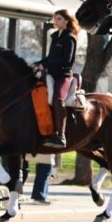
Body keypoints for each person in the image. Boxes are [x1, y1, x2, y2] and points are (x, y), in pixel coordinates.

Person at [32, 9, 79, 148]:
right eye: (54, 19)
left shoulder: (70, 38)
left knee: (58, 100)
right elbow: (50, 58)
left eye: (58, 19)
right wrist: (38, 63)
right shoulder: (55, 37)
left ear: (66, 21)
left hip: (63, 76)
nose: (55, 21)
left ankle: (61, 136)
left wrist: (45, 65)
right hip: (51, 74)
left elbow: (66, 60)